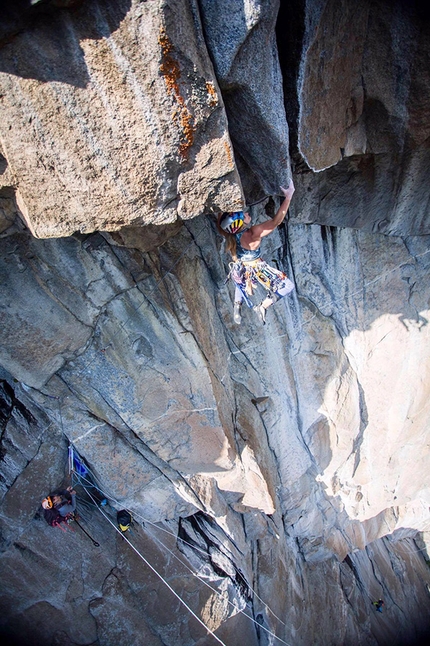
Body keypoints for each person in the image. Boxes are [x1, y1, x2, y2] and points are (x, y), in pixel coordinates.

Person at [218, 180, 295, 324]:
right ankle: (263, 306)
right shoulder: (252, 234)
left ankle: (237, 307)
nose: (246, 214)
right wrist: (288, 196)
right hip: (256, 268)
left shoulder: (229, 235)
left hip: (241, 268)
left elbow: (223, 220)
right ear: (239, 223)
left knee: (239, 277)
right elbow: (276, 222)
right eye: (243, 215)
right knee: (288, 286)